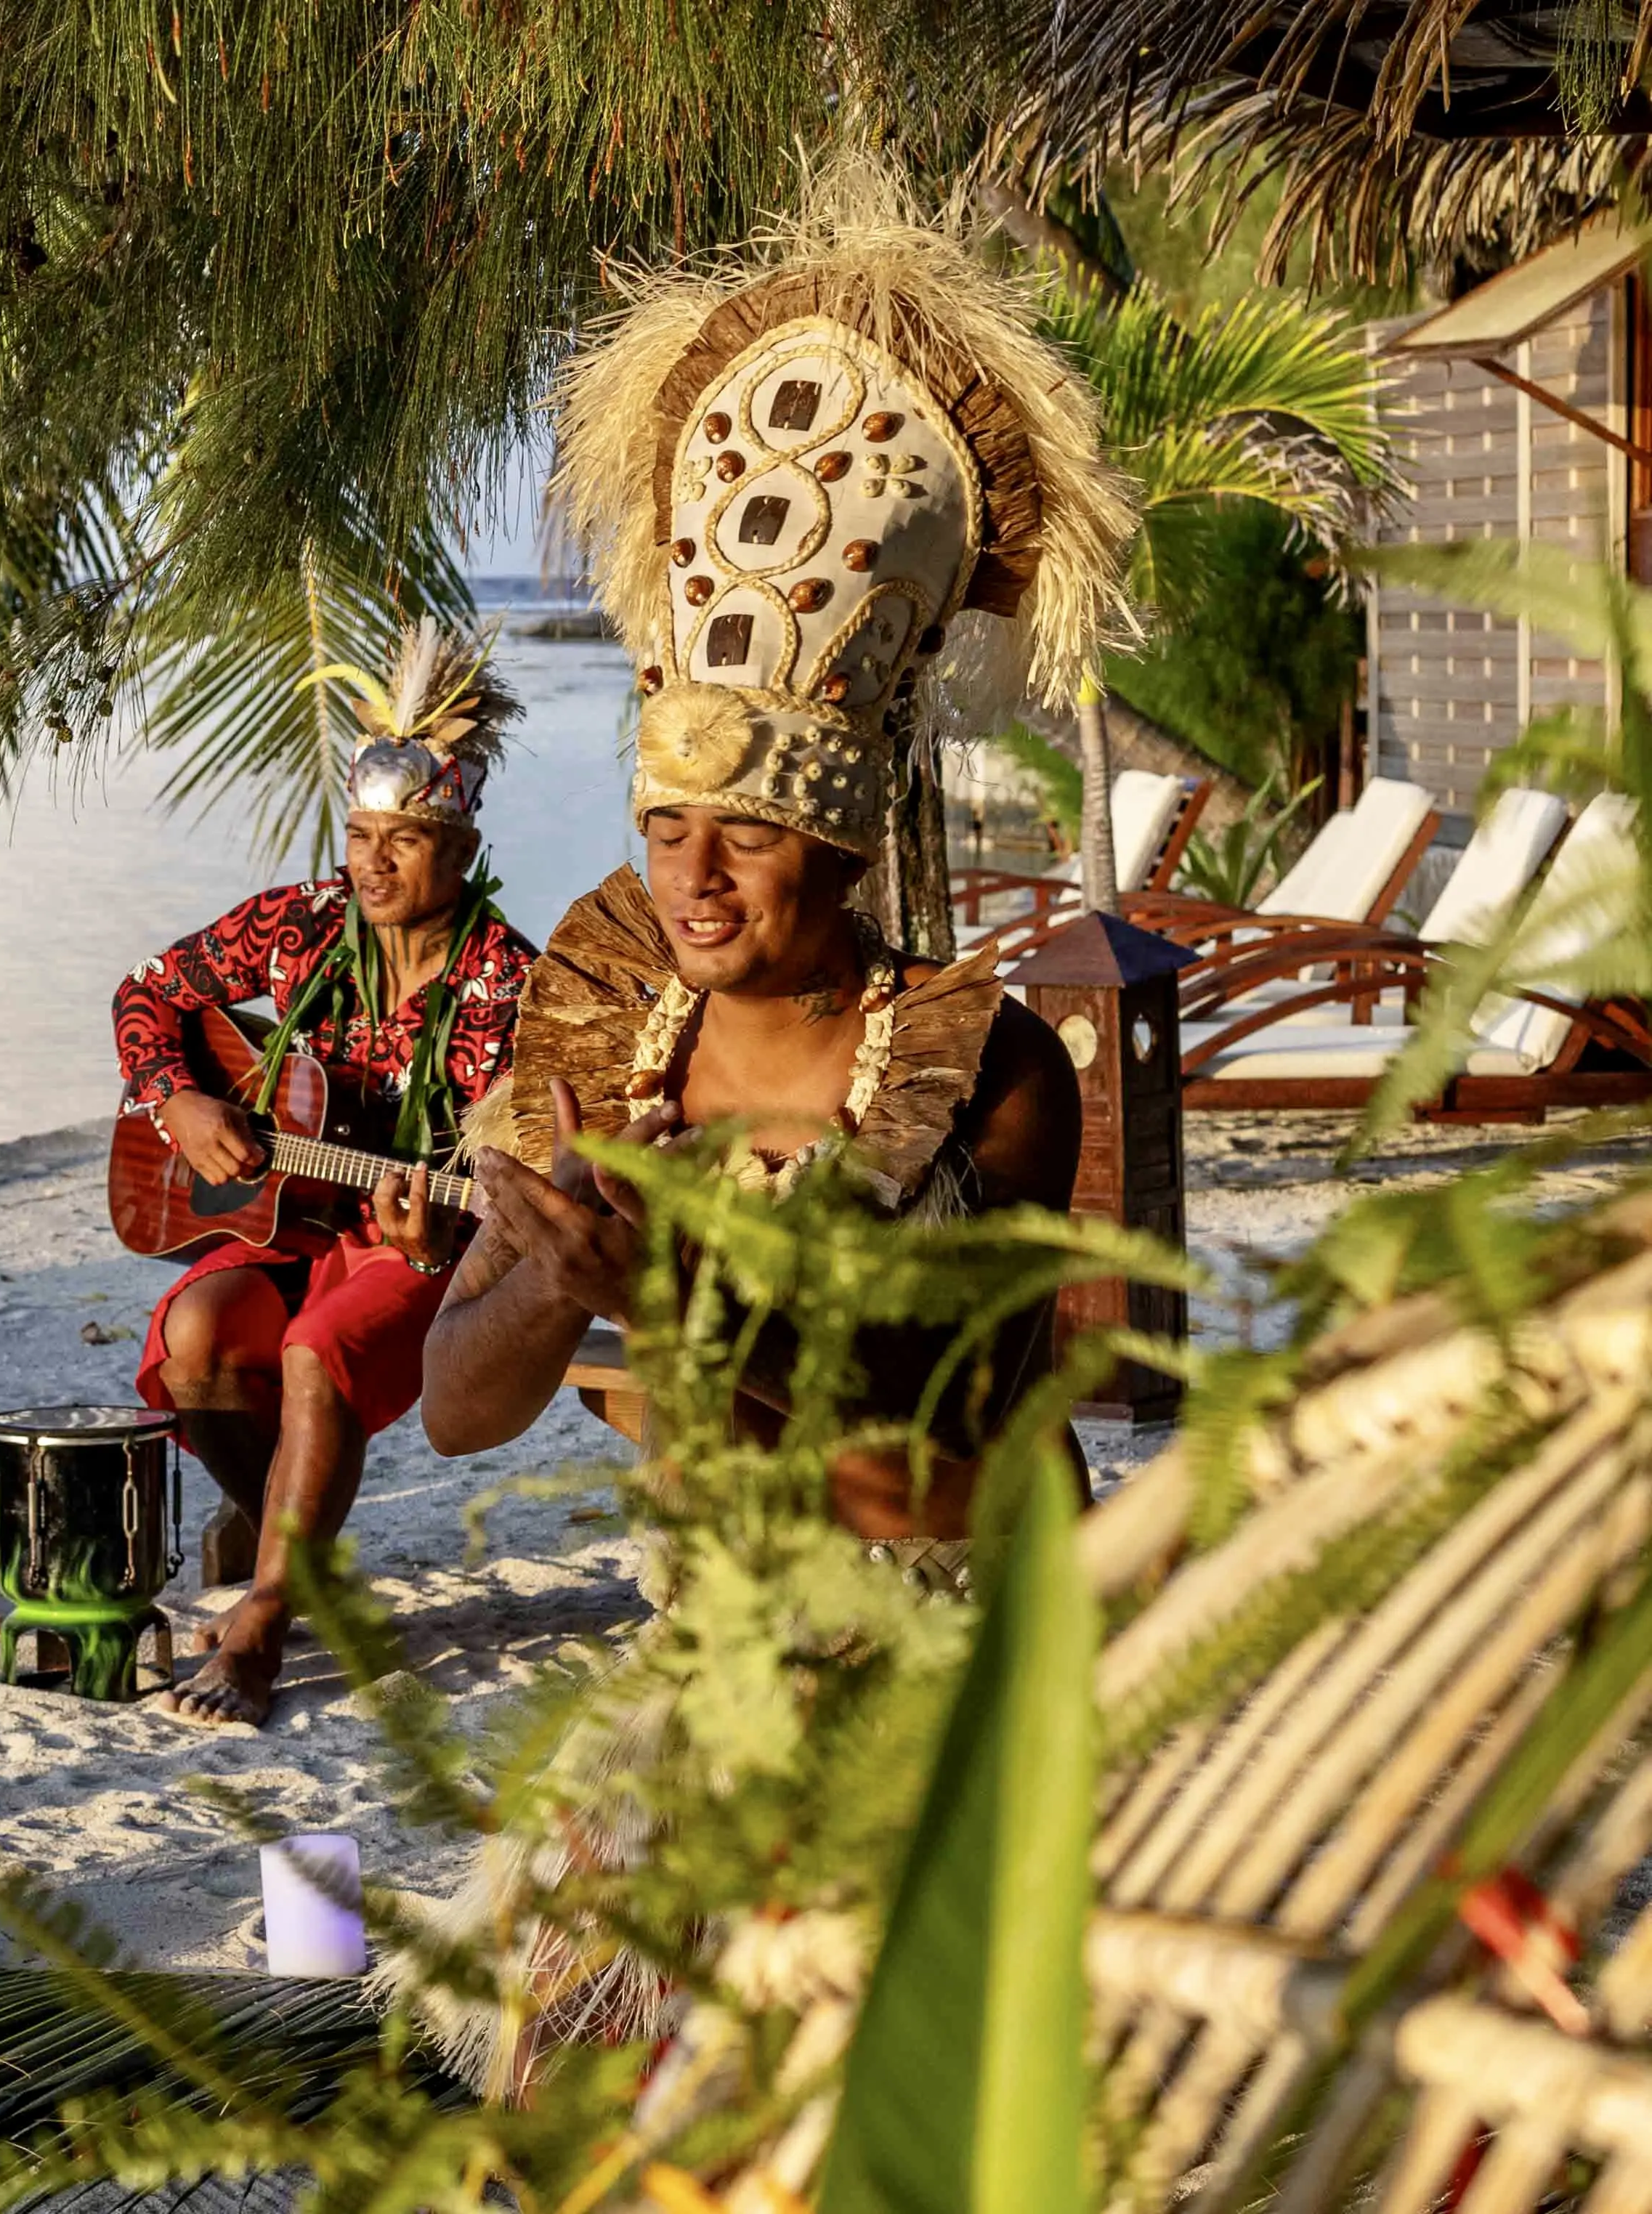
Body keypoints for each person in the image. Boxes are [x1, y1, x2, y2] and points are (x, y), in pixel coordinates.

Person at [419, 182, 1118, 1582]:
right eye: (667, 828)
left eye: (746, 834)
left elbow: (946, 1460)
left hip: (975, 1629)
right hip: (724, 1647)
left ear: (846, 848)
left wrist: (674, 1308)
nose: (695, 878)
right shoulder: (602, 1037)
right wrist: (560, 1279)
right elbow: (454, 1408)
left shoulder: (991, 1069)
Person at [113, 622, 535, 1729]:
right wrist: (182, 1098)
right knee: (198, 1335)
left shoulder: (506, 984)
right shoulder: (300, 925)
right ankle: (289, 1550)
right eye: (360, 833)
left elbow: (512, 1178)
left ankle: (263, 1616)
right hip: (290, 1222)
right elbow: (148, 991)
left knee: (320, 1346)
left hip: (427, 1237)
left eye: (404, 839)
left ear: (462, 846)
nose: (373, 862)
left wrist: (441, 1232)